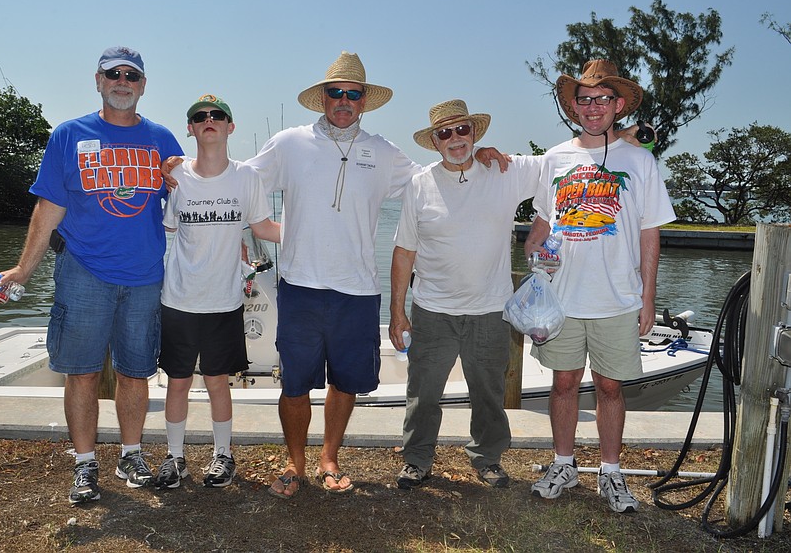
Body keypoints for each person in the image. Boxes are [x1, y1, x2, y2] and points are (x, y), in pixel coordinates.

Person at [244, 52, 508, 499]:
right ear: (323, 98)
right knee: (294, 383)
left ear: (365, 101)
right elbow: (241, 181)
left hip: (358, 290)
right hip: (300, 286)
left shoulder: (383, 152)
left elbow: (434, 178)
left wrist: (478, 158)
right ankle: (295, 462)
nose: (344, 100)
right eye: (336, 92)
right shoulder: (289, 143)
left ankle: (329, 458)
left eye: (353, 94)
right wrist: (190, 174)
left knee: (346, 381)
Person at [0, 47, 184, 504]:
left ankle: (131, 456)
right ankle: (84, 464)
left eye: (131, 76)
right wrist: (24, 269)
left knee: (135, 373)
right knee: (81, 372)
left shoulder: (163, 140)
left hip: (144, 277)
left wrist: (234, 241)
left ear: (143, 86)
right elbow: (49, 207)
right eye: (113, 74)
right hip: (82, 273)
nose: (122, 81)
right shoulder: (68, 135)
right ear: (98, 81)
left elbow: (190, 203)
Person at [525, 59, 675, 513]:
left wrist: (648, 297)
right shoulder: (554, 158)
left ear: (619, 104)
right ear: (573, 106)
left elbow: (650, 232)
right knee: (563, 383)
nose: (593, 107)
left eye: (603, 99)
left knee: (610, 387)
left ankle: (611, 471)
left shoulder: (641, 161)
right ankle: (563, 464)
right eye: (585, 99)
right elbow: (541, 225)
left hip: (619, 299)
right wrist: (535, 255)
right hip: (562, 300)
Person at [390, 99, 542, 489]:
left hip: (490, 311)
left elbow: (564, 164)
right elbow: (405, 251)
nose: (455, 139)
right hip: (432, 311)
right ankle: (417, 459)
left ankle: (488, 458)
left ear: (475, 133)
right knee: (423, 393)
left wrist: (620, 139)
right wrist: (397, 311)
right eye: (445, 133)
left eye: (462, 130)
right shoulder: (420, 184)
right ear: (434, 141)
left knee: (489, 393)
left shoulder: (504, 171)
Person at [152, 95, 280, 490]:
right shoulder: (175, 177)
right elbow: (165, 228)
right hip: (178, 298)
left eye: (217, 115)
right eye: (200, 117)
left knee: (217, 381)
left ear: (230, 127)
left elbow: (264, 228)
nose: (209, 120)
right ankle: (175, 457)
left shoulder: (247, 178)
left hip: (225, 301)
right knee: (177, 381)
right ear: (190, 128)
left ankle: (223, 455)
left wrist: (314, 232)